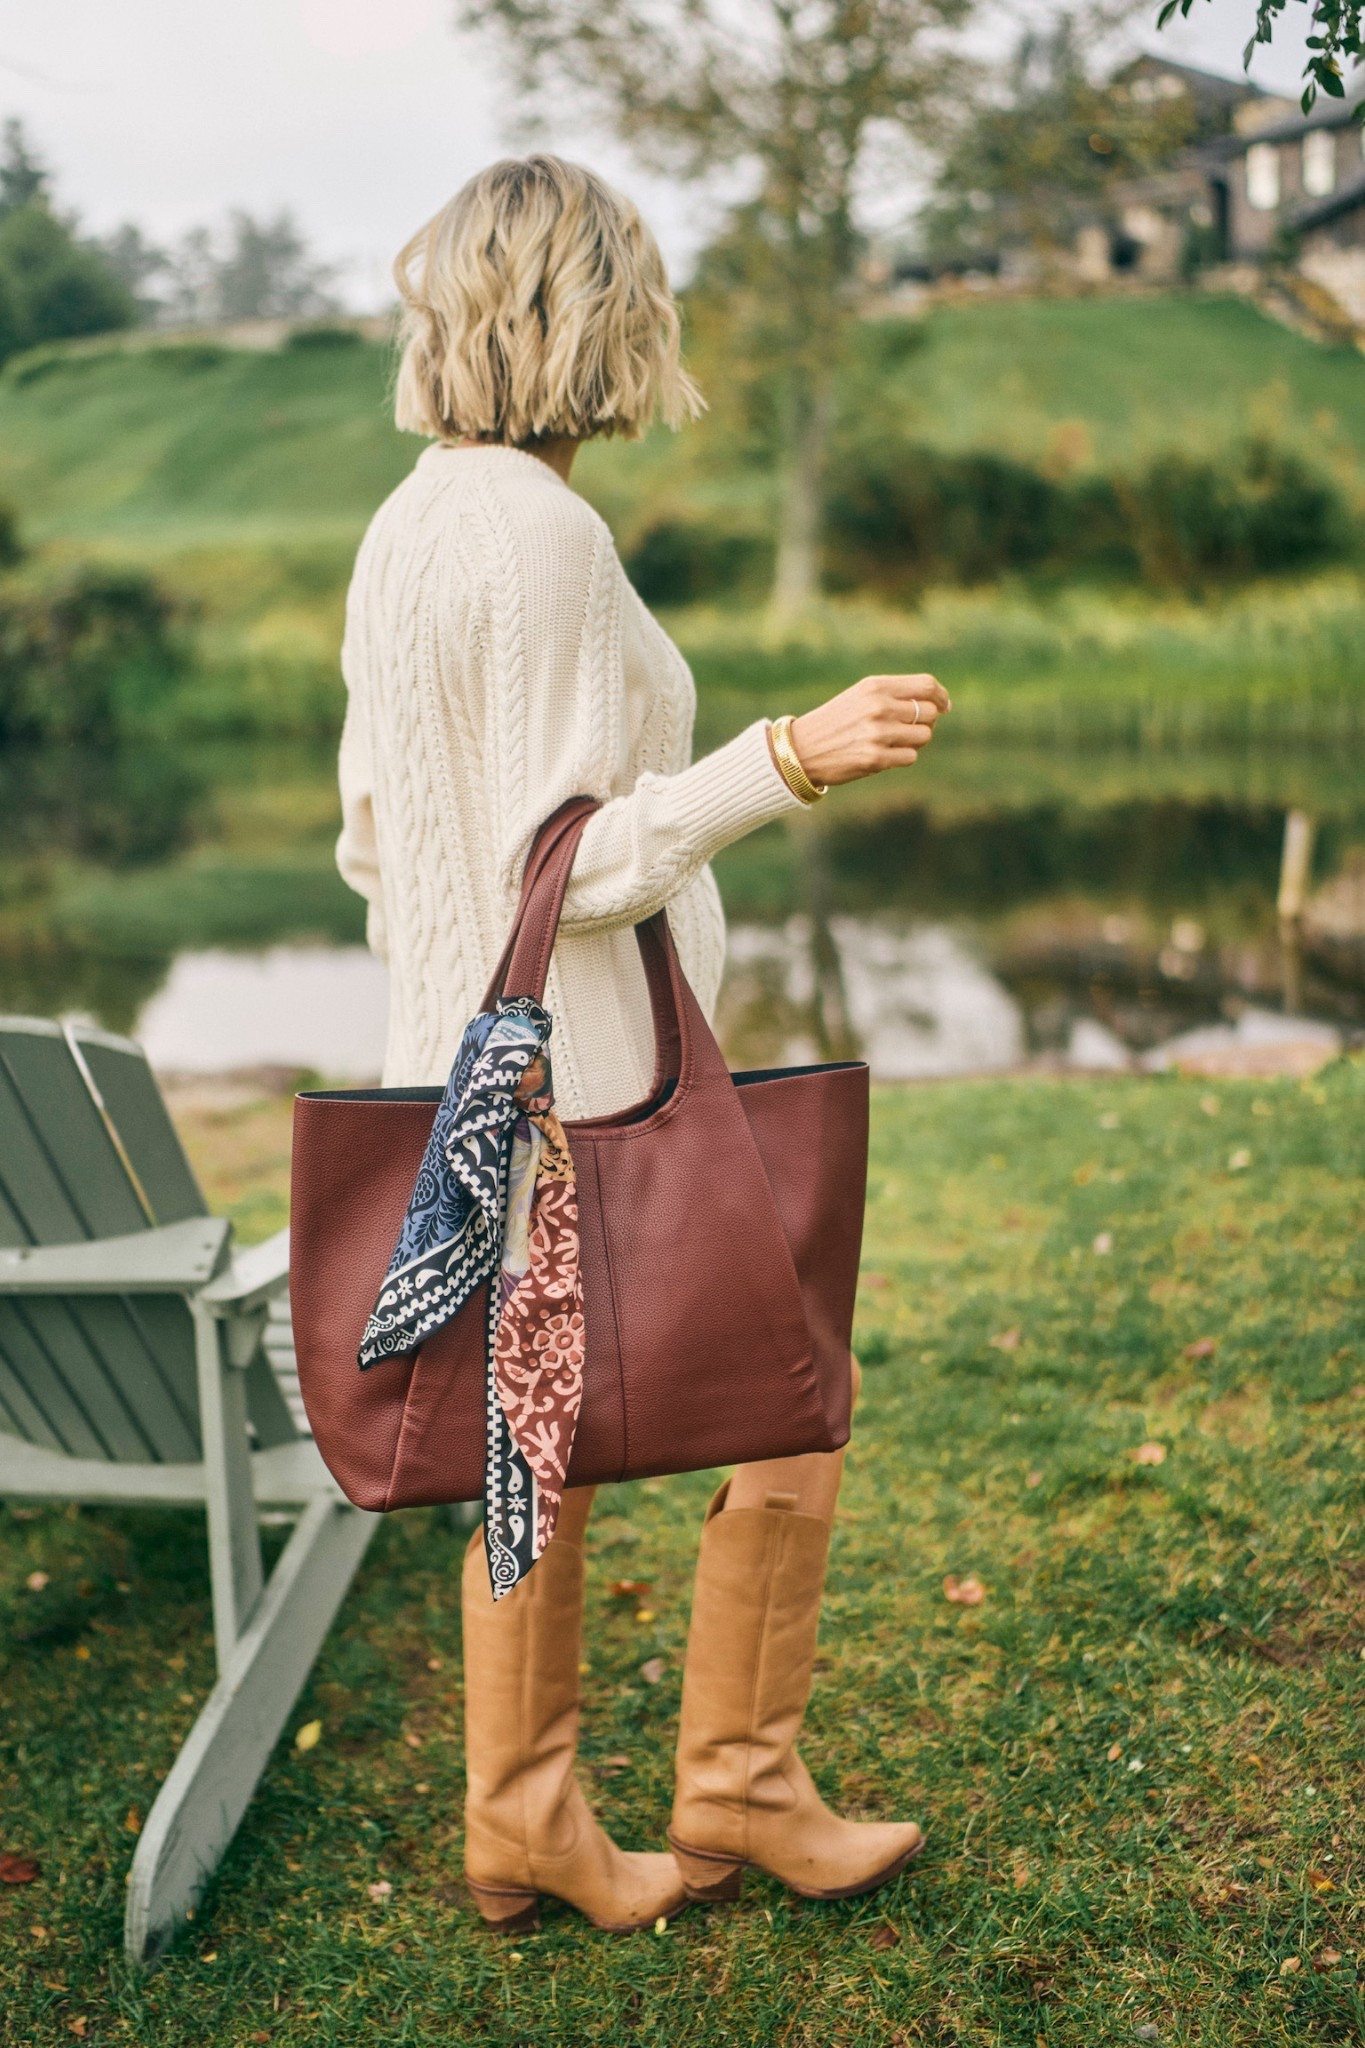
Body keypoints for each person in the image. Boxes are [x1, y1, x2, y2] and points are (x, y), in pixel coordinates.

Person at [336, 153, 950, 1935]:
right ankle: (733, 1784)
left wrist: (444, 996)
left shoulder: (407, 524)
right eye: (642, 292)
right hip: (583, 1079)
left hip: (463, 1076)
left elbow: (379, 831)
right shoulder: (543, 535)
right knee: (787, 1400)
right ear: (590, 309)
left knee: (534, 1442)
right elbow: (574, 859)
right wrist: (787, 755)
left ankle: (526, 1826)